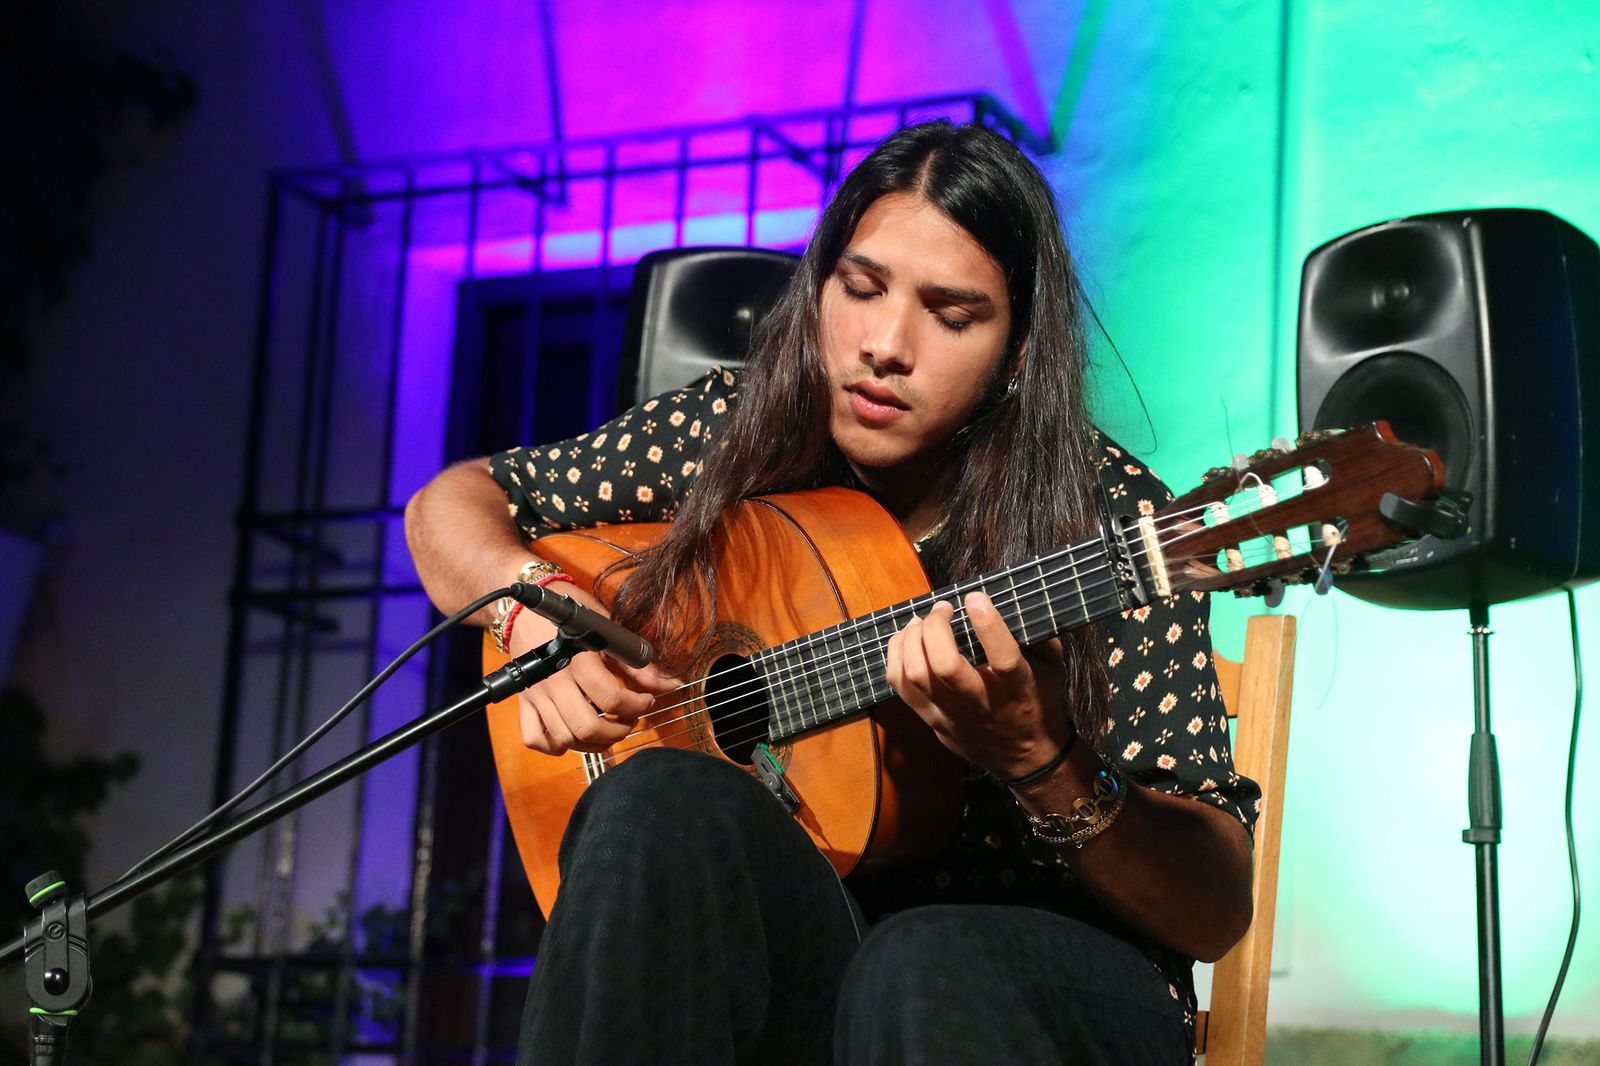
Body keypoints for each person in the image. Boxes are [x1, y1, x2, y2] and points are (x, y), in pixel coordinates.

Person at [405, 120, 1258, 1065]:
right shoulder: (740, 431)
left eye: (951, 314)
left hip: (1047, 991)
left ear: (1017, 354)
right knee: (653, 800)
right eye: (861, 288)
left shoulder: (1109, 520)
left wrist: (1039, 755)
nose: (885, 345)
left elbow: (1213, 909)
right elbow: (457, 502)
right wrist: (530, 611)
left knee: (922, 957)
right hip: (827, 959)